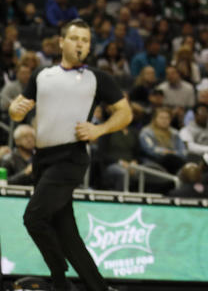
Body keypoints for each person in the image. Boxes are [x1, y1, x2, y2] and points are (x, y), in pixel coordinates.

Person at [8, 19, 131, 291]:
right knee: (67, 233)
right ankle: (98, 287)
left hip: (70, 157)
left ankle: (60, 280)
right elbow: (18, 112)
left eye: (85, 40)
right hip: (42, 159)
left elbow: (125, 113)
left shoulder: (97, 78)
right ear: (61, 42)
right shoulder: (42, 74)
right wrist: (15, 111)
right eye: (75, 38)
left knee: (35, 218)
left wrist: (99, 130)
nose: (80, 44)